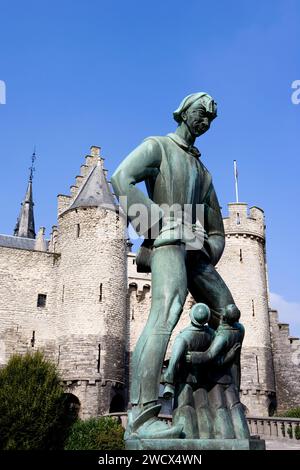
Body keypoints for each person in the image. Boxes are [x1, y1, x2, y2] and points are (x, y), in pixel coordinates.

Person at [111, 93, 239, 439]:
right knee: (165, 313)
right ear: (183, 112)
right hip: (167, 240)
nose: (205, 121)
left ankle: (209, 403)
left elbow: (216, 230)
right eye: (200, 113)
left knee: (229, 314)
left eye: (211, 118)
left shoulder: (203, 171)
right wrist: (154, 225)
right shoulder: (158, 146)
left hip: (194, 250)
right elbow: (121, 179)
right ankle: (142, 417)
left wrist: (205, 252)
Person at [186, 304, 250, 439]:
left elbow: (209, 356)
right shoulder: (240, 329)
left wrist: (192, 356)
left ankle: (225, 439)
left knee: (219, 408)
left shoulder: (222, 336)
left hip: (216, 377)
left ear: (223, 317)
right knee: (235, 406)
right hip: (229, 376)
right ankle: (243, 436)